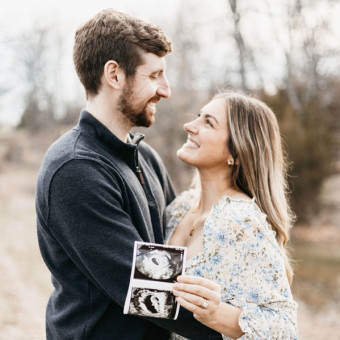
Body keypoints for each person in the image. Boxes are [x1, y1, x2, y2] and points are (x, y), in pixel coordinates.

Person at [36, 9, 221, 340]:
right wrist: (243, 326)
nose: (166, 90)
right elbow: (151, 290)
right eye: (154, 76)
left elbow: (181, 244)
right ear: (115, 75)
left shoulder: (144, 156)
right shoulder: (75, 169)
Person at [166, 91, 298, 339]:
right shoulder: (179, 209)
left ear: (235, 154)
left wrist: (215, 313)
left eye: (208, 123)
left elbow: (284, 329)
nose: (189, 126)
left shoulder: (240, 221)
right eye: (198, 116)